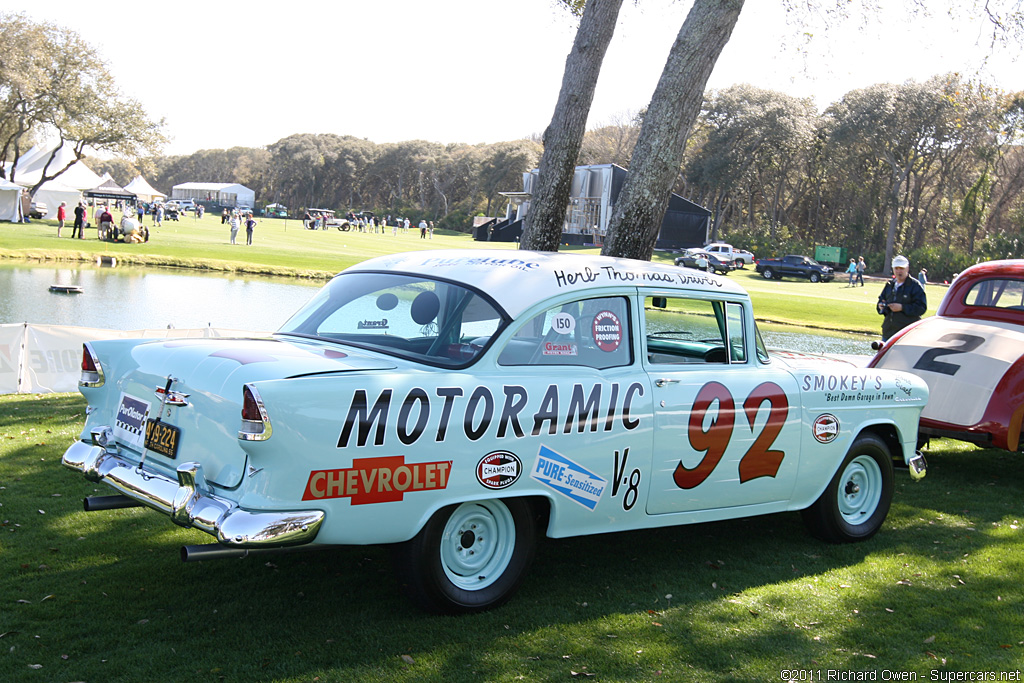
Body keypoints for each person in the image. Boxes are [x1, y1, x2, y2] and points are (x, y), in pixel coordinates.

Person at [877, 255, 927, 341]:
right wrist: (881, 306)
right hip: (888, 332)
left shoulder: (915, 286)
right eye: (896, 268)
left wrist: (902, 307)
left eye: (901, 268)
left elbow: (921, 308)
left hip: (907, 334)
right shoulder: (890, 285)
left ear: (907, 268)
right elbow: (881, 300)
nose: (899, 271)